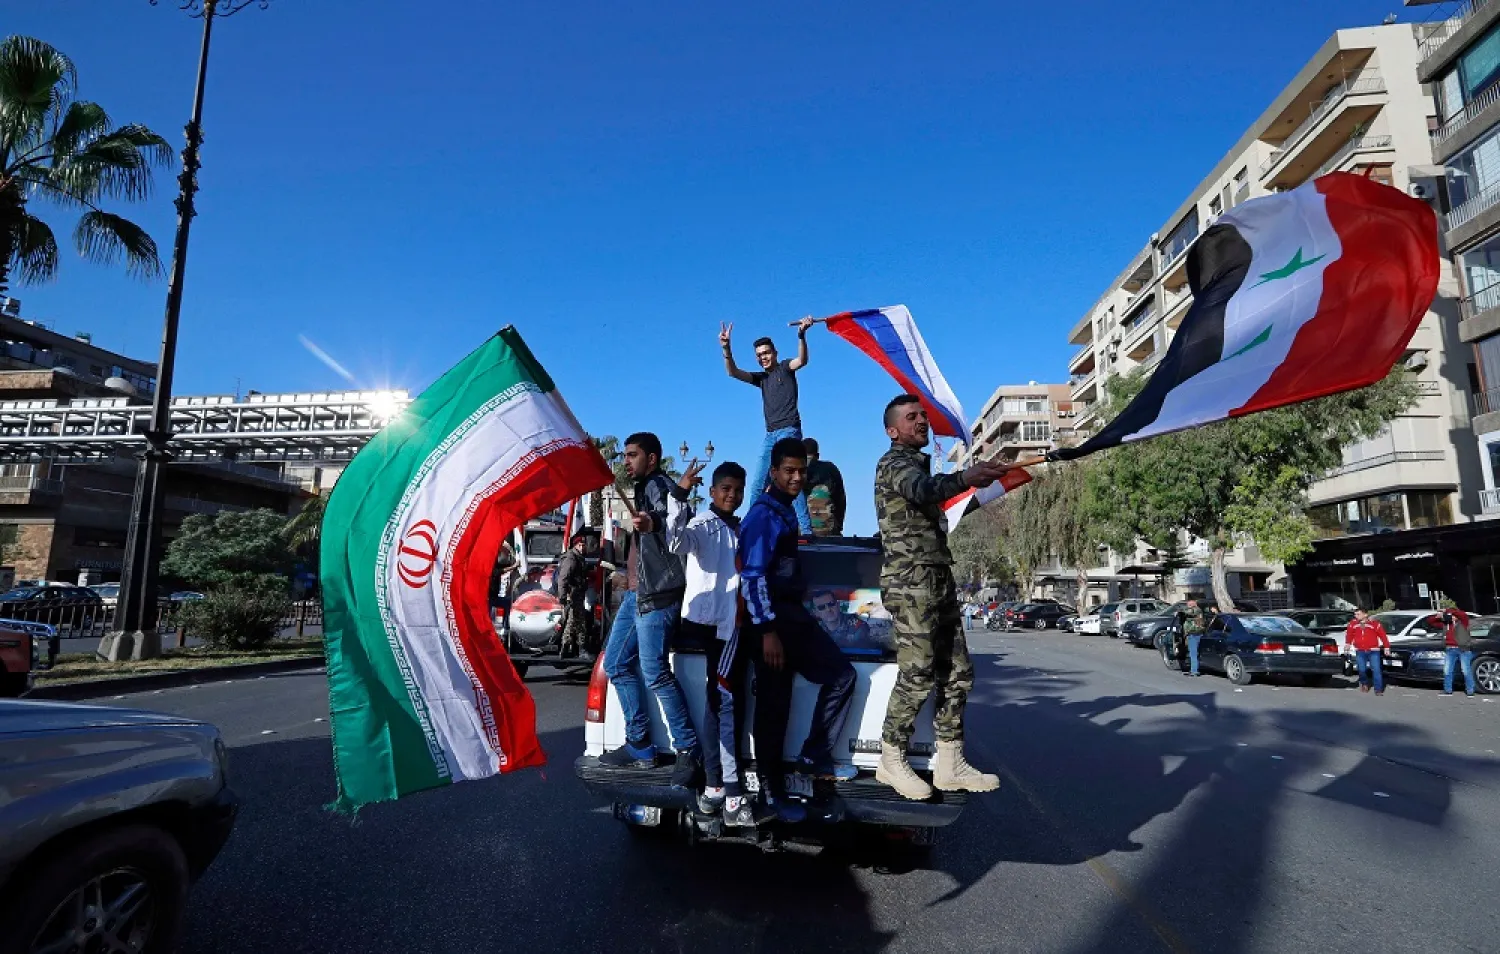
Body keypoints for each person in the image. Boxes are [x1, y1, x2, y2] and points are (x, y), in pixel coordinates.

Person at [874, 395, 1023, 800]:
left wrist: (972, 482)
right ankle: (891, 758)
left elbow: (934, 495)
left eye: (923, 415)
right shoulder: (894, 464)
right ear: (893, 430)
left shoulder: (919, 465)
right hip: (911, 583)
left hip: (938, 579)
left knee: (958, 674)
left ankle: (950, 761)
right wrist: (964, 477)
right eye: (912, 417)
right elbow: (923, 490)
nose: (922, 421)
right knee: (918, 673)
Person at [739, 437, 857, 820]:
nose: (796, 477)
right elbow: (752, 577)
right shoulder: (763, 515)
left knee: (841, 676)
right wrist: (768, 631)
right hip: (773, 624)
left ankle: (813, 753)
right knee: (774, 709)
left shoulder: (787, 510)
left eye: (800, 471)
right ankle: (772, 793)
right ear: (773, 472)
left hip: (792, 618)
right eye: (788, 471)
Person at [599, 432, 703, 787]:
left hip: (657, 597)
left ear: (652, 459)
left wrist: (652, 522)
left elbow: (671, 514)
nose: (626, 461)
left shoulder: (659, 484)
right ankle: (640, 744)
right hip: (636, 595)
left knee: (655, 672)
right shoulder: (644, 487)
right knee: (615, 663)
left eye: (632, 455)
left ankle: (689, 749)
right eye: (625, 455)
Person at [664, 458, 755, 827]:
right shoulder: (702, 524)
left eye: (737, 490)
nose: (731, 495)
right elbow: (674, 541)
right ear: (713, 492)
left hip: (735, 627)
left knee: (720, 703)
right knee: (724, 703)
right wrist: (680, 492)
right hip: (713, 626)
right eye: (725, 489)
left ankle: (716, 785)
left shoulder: (741, 529)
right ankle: (727, 789)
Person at [720, 319, 815, 535]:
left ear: (775, 352)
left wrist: (801, 336)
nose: (763, 357)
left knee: (790, 478)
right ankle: (751, 527)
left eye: (766, 353)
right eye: (759, 355)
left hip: (789, 431)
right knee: (757, 484)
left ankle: (807, 532)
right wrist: (726, 349)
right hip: (770, 435)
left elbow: (802, 360)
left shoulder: (785, 368)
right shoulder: (761, 379)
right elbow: (733, 372)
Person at [554, 536, 590, 660]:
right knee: (576, 622)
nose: (582, 546)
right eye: (580, 544)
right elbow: (563, 578)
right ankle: (579, 649)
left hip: (577, 594)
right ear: (575, 545)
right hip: (573, 595)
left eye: (584, 544)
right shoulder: (571, 558)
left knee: (574, 621)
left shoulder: (578, 557)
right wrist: (563, 597)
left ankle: (566, 648)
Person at [802, 437, 846, 537]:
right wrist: (838, 527)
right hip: (827, 529)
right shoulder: (830, 468)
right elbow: (840, 500)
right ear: (817, 455)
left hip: (801, 532)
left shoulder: (796, 471)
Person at [1344, 607, 1390, 695]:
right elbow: (1349, 634)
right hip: (1360, 650)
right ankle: (1364, 683)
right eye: (1355, 614)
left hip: (1373, 650)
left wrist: (1386, 647)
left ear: (1365, 614)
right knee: (1361, 669)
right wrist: (1348, 643)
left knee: (1376, 670)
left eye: (1358, 614)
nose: (1356, 616)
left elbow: (1382, 635)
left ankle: (1378, 689)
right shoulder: (1353, 624)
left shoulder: (1374, 624)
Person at [1433, 607, 1476, 697]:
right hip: (1450, 649)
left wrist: (1448, 611)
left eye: (1452, 616)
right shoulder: (1445, 624)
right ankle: (1448, 690)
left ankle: (1470, 691)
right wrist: (1438, 616)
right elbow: (1431, 622)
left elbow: (1463, 615)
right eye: (1450, 616)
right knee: (1447, 670)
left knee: (1465, 670)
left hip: (1463, 649)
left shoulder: (1463, 622)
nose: (1451, 617)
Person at [1180, 599, 1205, 677]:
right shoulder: (1196, 612)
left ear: (1194, 604)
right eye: (1188, 605)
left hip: (1194, 635)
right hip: (1195, 634)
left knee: (1193, 653)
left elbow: (1190, 612)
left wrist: (1181, 610)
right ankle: (1193, 669)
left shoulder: (1197, 610)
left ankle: (1194, 671)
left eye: (1189, 605)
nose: (1188, 607)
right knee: (1193, 653)